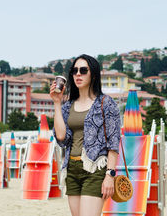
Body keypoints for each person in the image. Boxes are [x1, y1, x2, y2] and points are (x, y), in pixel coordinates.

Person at [50, 54, 121, 216]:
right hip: (72, 169)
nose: (78, 74)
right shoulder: (67, 106)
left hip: (95, 169)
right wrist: (56, 103)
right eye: (74, 71)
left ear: (93, 75)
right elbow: (61, 137)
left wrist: (110, 175)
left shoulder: (106, 104)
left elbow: (113, 142)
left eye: (83, 70)